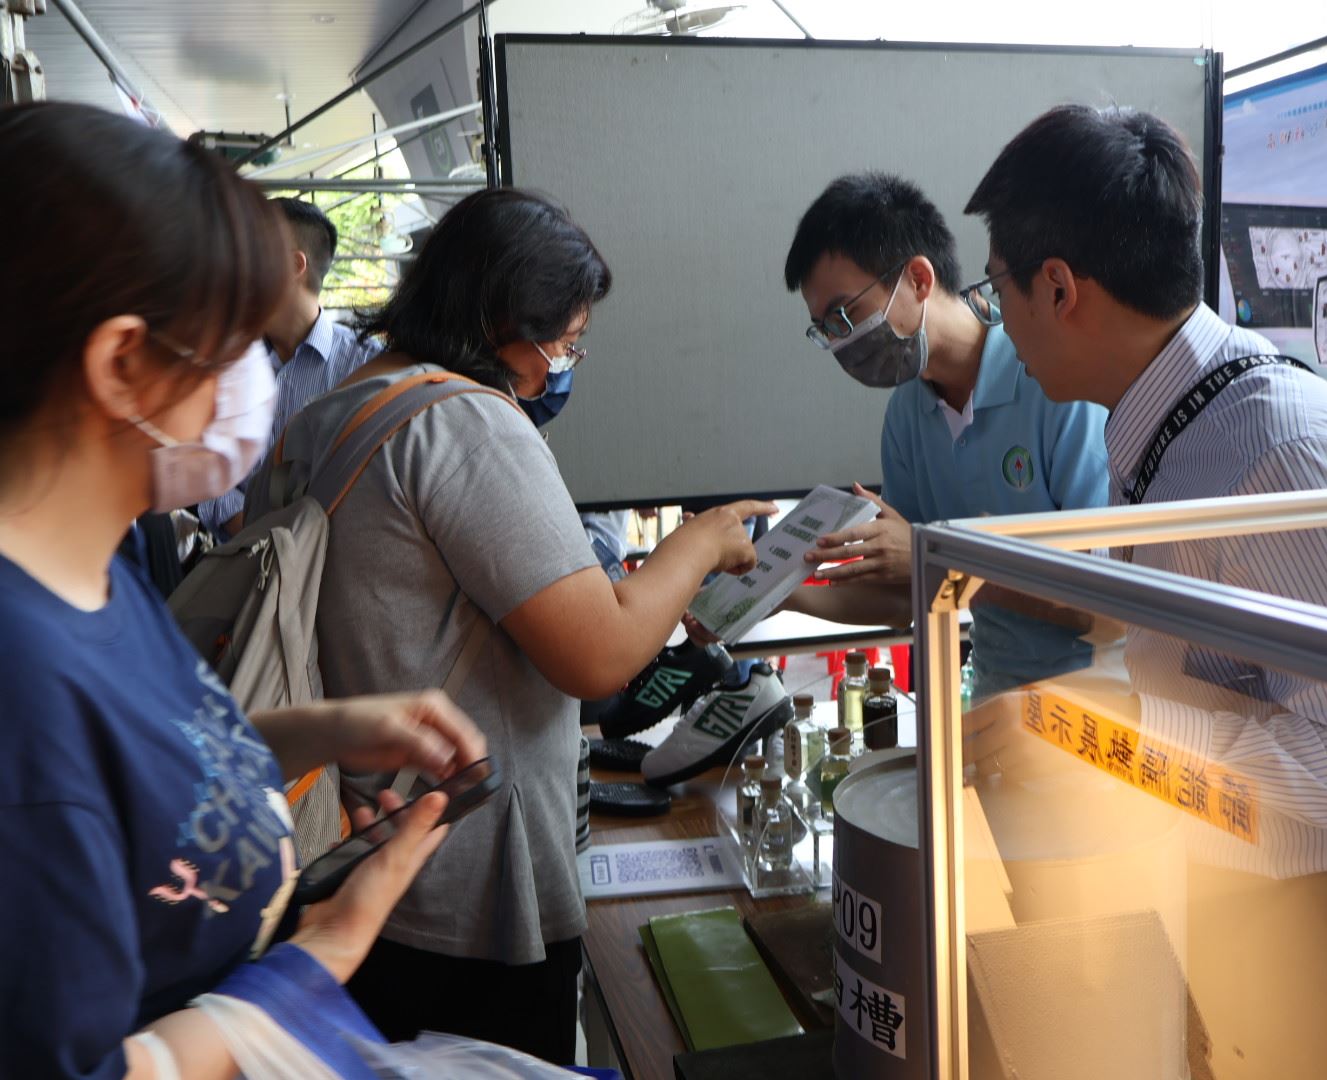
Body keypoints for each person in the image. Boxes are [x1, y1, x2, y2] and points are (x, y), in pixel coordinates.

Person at [0, 101, 486, 1079]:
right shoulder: (21, 686)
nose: (252, 383)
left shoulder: (94, 562)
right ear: (121, 363)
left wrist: (323, 730)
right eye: (229, 348)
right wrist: (318, 960)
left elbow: (140, 775)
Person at [251, 187, 770, 1063]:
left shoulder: (322, 419)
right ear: (504, 319)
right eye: (563, 342)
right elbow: (598, 655)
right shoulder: (464, 422)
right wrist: (701, 542)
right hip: (468, 884)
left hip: (357, 861)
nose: (561, 367)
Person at [963, 104, 1327, 1077]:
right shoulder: (1177, 425)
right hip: (1222, 908)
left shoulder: (1275, 453)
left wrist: (1107, 738)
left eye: (997, 288)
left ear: (1059, 287)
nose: (996, 320)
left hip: (1310, 947)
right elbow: (1216, 681)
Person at [781, 173, 1111, 695]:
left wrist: (938, 558)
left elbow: (1103, 600)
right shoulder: (907, 415)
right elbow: (904, 597)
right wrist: (781, 594)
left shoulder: (1053, 381)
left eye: (845, 315)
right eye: (825, 329)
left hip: (1100, 704)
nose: (841, 342)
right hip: (996, 698)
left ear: (918, 278)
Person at [197, 197, 381, 542]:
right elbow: (204, 463)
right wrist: (255, 535)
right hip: (238, 561)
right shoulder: (224, 362)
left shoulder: (367, 365)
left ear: (295, 265)